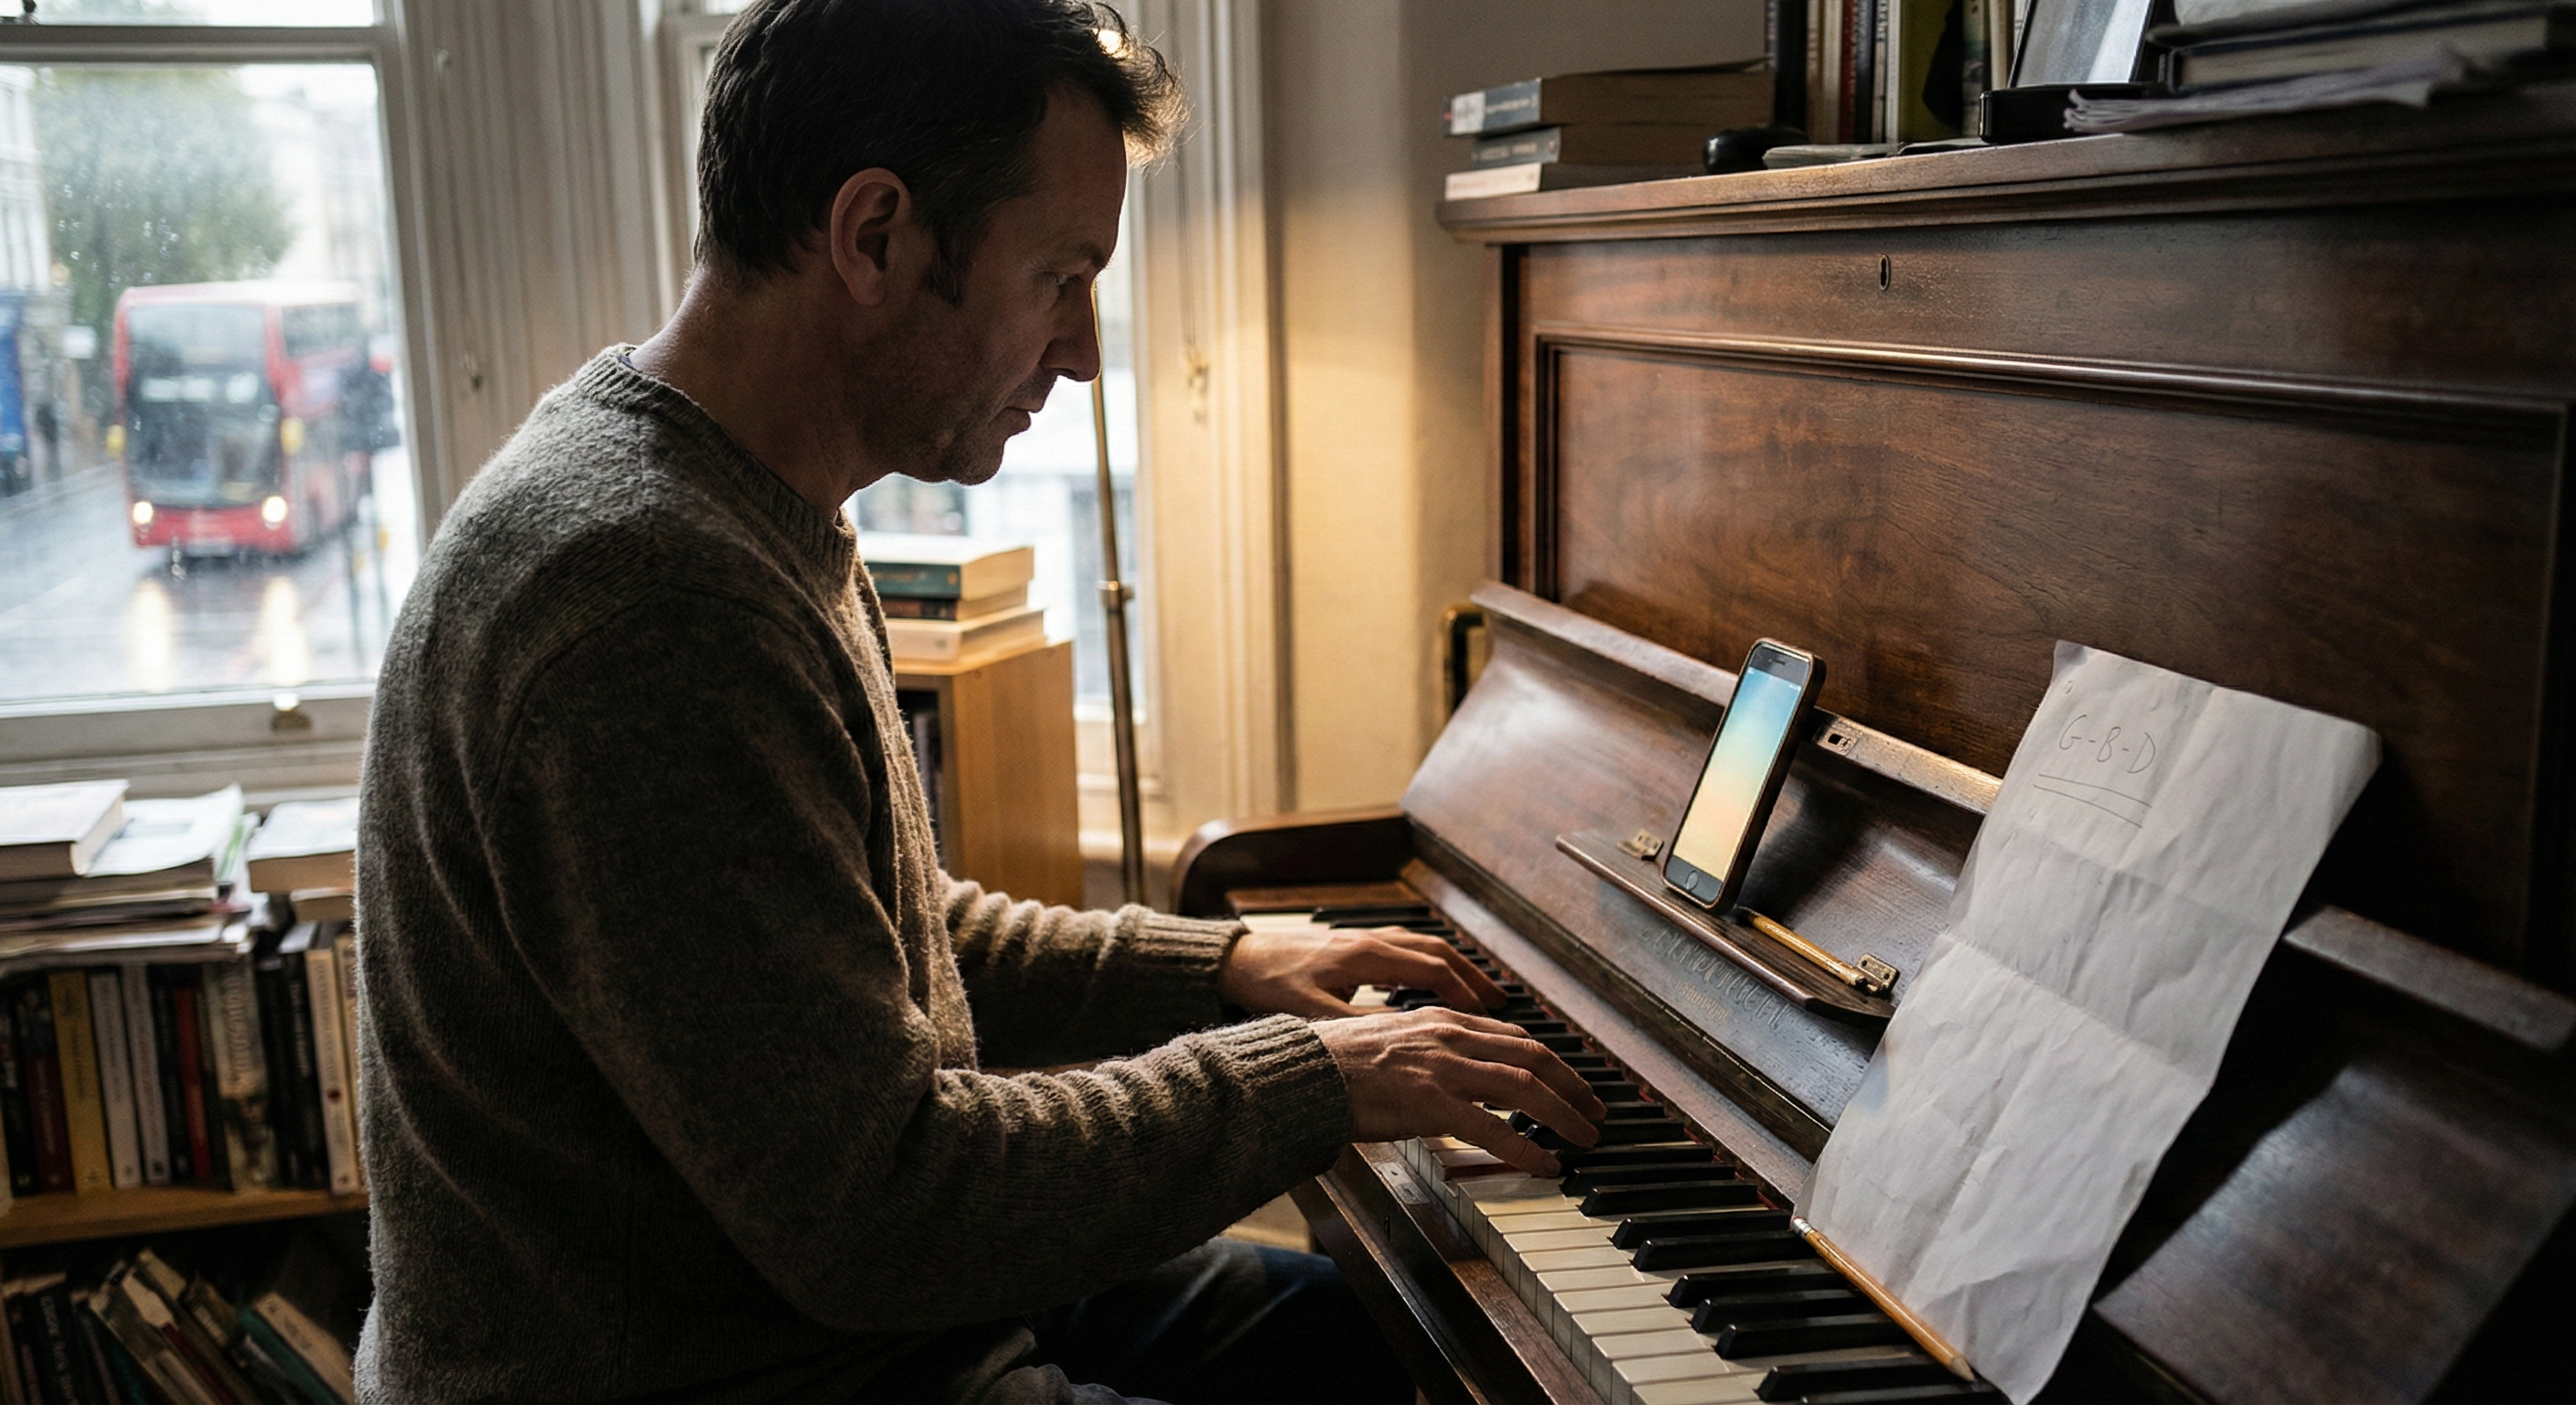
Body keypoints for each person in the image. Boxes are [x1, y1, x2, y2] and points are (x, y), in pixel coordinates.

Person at [352, 2, 1605, 1400]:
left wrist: (1222, 970)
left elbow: (868, 945)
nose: (1078, 351)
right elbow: (885, 1213)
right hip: (743, 1364)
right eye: (1061, 277)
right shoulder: (652, 604)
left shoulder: (734, 501)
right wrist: (1307, 1079)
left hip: (825, 1317)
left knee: (1380, 1338)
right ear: (875, 235)